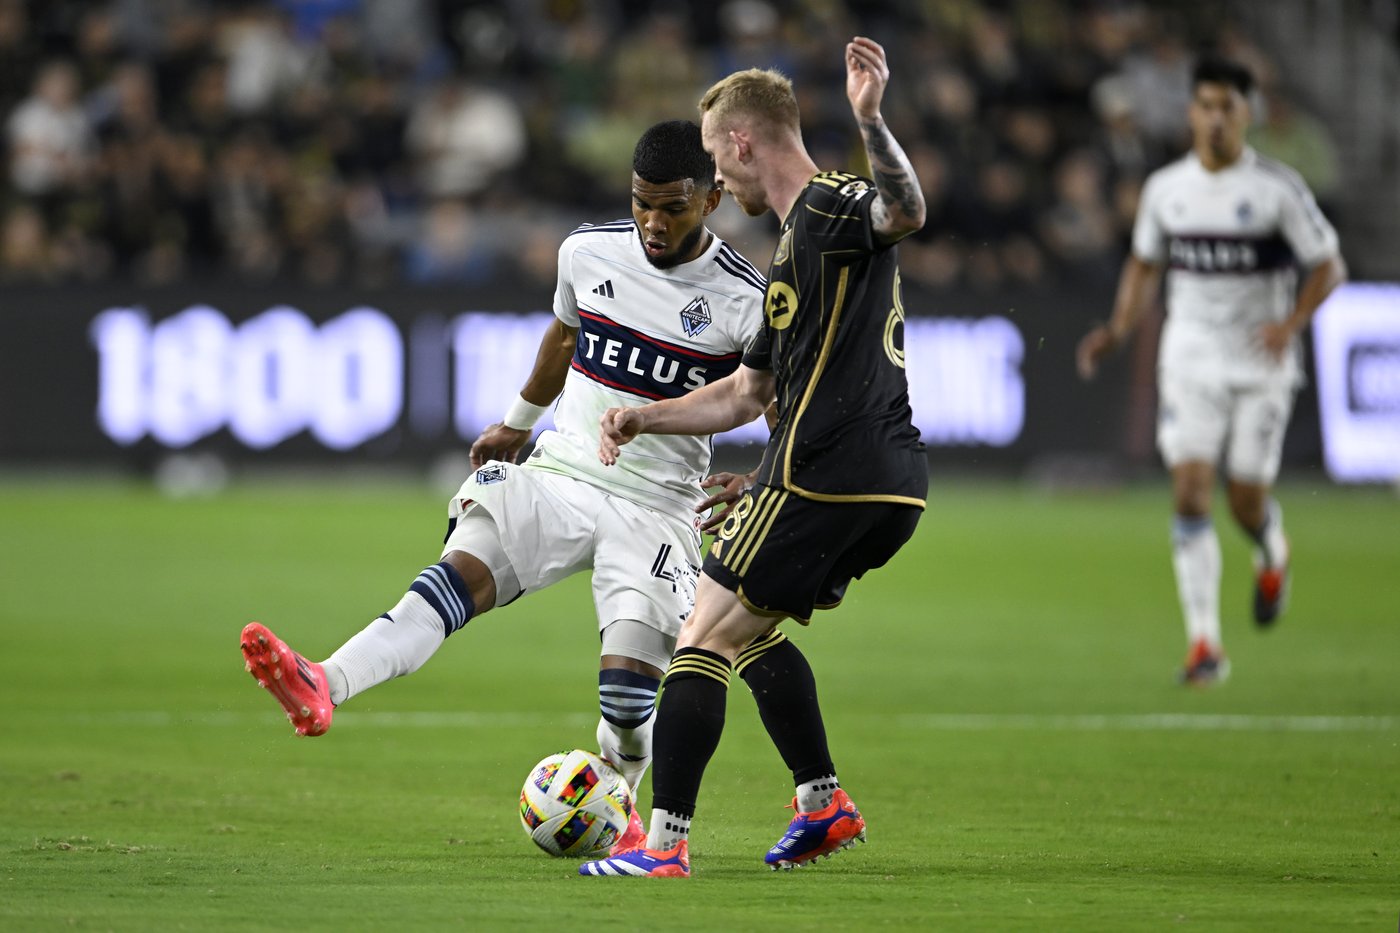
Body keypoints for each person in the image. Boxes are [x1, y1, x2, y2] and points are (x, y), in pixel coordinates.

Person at [239, 120, 768, 855]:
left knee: (625, 699)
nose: (652, 221)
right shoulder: (587, 251)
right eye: (642, 202)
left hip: (659, 508)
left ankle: (624, 800)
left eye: (672, 207)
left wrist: (761, 480)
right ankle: (325, 679)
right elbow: (564, 336)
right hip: (562, 474)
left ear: (712, 198)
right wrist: (518, 423)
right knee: (454, 575)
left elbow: (780, 399)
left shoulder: (745, 298)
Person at [578, 37, 927, 878]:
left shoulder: (831, 204)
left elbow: (905, 210)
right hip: (878, 481)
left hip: (828, 469)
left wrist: (872, 121)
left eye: (712, 156)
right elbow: (746, 395)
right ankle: (822, 802)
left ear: (741, 141)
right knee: (749, 631)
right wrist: (645, 417)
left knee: (696, 634)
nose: (713, 181)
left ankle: (661, 845)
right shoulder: (788, 253)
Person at [1076, 56, 1346, 685]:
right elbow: (1145, 264)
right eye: (1205, 106)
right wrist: (1118, 329)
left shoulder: (1277, 189)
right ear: (1192, 112)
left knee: (1245, 499)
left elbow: (1327, 264)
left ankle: (1270, 547)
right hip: (1191, 355)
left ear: (1246, 113)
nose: (1216, 118)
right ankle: (1205, 645)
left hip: (1261, 361)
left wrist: (1292, 322)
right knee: (1192, 490)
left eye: (1228, 107)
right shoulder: (1168, 190)